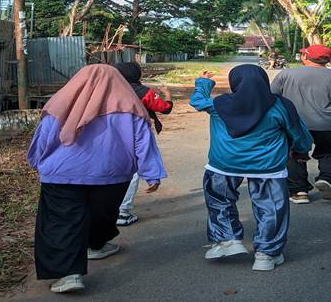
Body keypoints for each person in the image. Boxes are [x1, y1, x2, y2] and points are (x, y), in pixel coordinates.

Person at [27, 64, 167, 293]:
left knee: (61, 220)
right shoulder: (131, 107)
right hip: (111, 176)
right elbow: (143, 141)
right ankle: (96, 245)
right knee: (102, 214)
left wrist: (36, 162)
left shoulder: (60, 104)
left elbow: (42, 139)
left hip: (61, 174)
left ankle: (67, 274)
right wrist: (151, 173)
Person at [189, 64, 312, 271]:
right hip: (268, 167)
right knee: (270, 207)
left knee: (219, 200)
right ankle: (266, 254)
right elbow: (298, 134)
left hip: (223, 165)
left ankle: (228, 239)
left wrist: (203, 82)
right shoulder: (280, 105)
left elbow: (197, 101)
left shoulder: (220, 105)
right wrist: (300, 150)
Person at [271, 44, 331, 204]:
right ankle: (328, 179)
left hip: (294, 125)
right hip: (327, 124)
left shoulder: (286, 74)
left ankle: (299, 191)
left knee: (295, 155)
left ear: (305, 57)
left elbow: (272, 98)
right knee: (327, 152)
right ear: (328, 60)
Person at [113, 62, 173, 226]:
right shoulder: (143, 92)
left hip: (110, 135)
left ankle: (110, 208)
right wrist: (167, 94)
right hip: (136, 132)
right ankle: (123, 212)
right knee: (133, 169)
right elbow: (165, 108)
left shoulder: (109, 90)